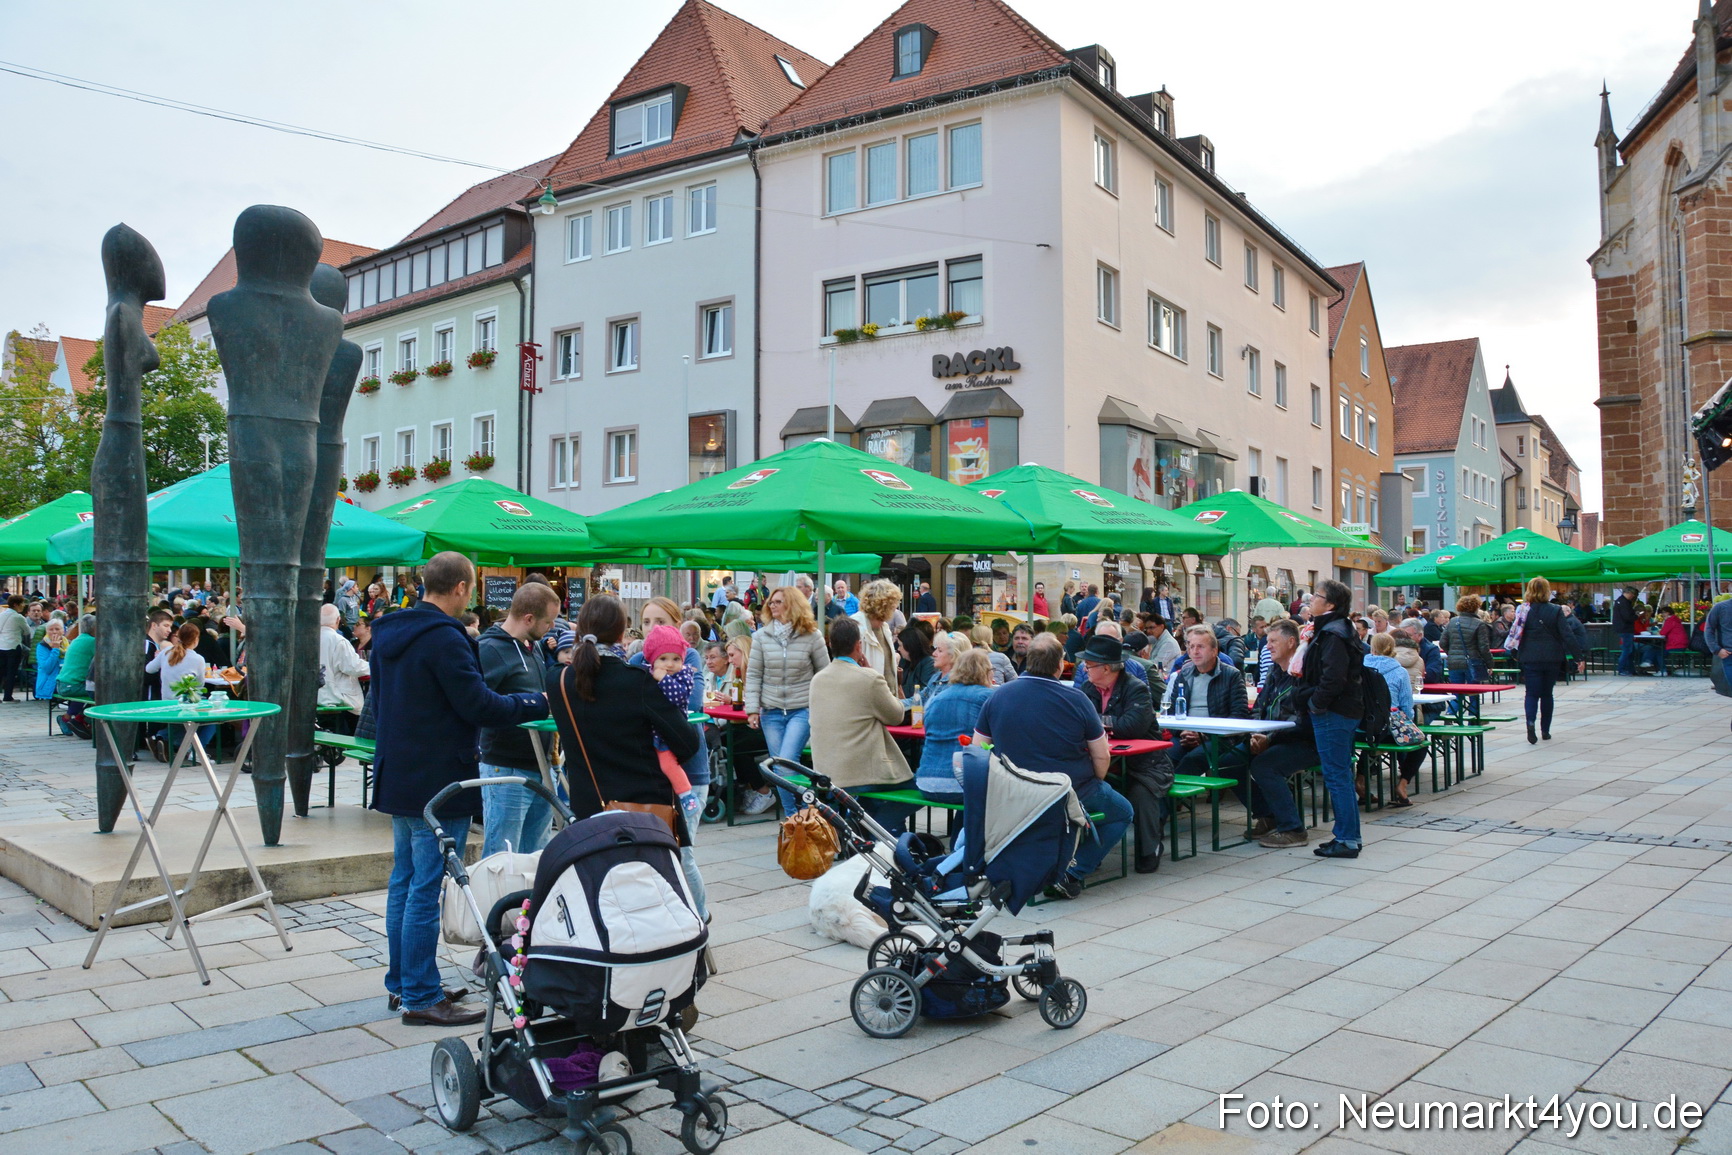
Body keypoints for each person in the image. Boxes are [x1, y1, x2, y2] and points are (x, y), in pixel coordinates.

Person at [369, 552, 548, 1026]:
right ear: (462, 588)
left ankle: (404, 983)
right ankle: (421, 996)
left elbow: (379, 703)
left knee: (405, 880)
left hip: (400, 770)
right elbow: (478, 705)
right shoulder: (445, 637)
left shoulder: (388, 630)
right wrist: (537, 702)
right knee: (425, 885)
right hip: (437, 777)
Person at [974, 634, 1126, 900]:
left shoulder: (998, 697)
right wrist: (1096, 781)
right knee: (1123, 812)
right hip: (1069, 789)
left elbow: (978, 749)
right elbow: (1101, 755)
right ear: (1059, 665)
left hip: (1016, 791)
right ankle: (1072, 871)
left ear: (1028, 661)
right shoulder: (1077, 699)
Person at [474, 583, 560, 859]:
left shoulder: (534, 647)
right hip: (506, 767)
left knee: (536, 857)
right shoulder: (489, 649)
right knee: (502, 857)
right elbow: (479, 705)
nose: (552, 627)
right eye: (548, 621)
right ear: (529, 619)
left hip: (542, 766)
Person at [809, 616, 918, 829]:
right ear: (859, 646)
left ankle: (863, 826)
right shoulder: (868, 679)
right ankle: (868, 828)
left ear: (830, 644)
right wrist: (872, 673)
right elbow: (896, 716)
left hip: (826, 769)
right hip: (862, 772)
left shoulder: (818, 680)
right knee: (916, 790)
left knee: (873, 801)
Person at [1077, 634, 1167, 873]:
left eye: (1089, 664)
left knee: (1141, 793)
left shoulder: (1136, 688)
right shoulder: (1088, 689)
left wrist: (1096, 722)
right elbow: (1079, 724)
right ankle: (1090, 854)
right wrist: (1105, 724)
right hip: (1103, 762)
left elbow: (1132, 726)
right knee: (1089, 791)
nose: (1084, 669)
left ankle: (1149, 849)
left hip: (1145, 763)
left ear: (1106, 668)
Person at [745, 585, 828, 814]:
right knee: (778, 766)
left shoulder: (812, 636)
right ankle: (799, 816)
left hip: (802, 708)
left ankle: (797, 814)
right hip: (771, 711)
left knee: (786, 762)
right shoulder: (761, 637)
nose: (772, 605)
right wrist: (752, 709)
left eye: (778, 601)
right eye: (771, 602)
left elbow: (825, 674)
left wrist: (821, 708)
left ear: (792, 605)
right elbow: (754, 674)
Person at [1302, 580, 1366, 859]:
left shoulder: (1332, 633)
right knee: (1339, 774)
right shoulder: (1339, 628)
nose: (1311, 599)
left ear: (1330, 604)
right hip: (1343, 710)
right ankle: (1348, 836)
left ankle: (1347, 839)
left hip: (1334, 712)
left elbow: (1333, 678)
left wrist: (1316, 704)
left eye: (1316, 596)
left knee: (1337, 775)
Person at [1243, 619, 1313, 846]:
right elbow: (1258, 708)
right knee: (1226, 761)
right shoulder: (1274, 671)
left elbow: (1302, 720)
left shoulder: (1303, 673)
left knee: (1265, 765)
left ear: (1291, 642)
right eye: (1267, 641)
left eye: (1273, 641)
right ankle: (1268, 815)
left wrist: (1269, 738)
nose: (1268, 646)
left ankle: (1293, 829)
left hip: (1306, 742)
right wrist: (1255, 734)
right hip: (1272, 738)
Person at [1161, 627, 1251, 788]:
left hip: (1219, 737)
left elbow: (1239, 715)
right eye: (1191, 646)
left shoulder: (1231, 675)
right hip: (1185, 734)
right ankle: (1166, 798)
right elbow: (1173, 712)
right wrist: (1182, 732)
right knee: (1163, 757)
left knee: (1193, 759)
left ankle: (1169, 800)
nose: (1195, 651)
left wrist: (1204, 735)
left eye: (1200, 647)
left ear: (1214, 651)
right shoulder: (1184, 674)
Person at [914, 648, 994, 800]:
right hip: (963, 782)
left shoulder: (936, 698)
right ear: (986, 672)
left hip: (926, 781)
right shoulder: (988, 697)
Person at [1506, 577, 1568, 744]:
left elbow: (1516, 632)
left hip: (1530, 656)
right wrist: (1579, 656)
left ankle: (1530, 723)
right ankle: (1545, 730)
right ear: (1547, 591)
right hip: (1552, 656)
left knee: (1531, 694)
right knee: (1547, 694)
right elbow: (1566, 633)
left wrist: (1514, 651)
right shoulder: (1555, 610)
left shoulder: (1523, 610)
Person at [143, 622, 216, 762]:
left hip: (166, 701)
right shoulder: (198, 659)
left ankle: (161, 736)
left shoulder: (166, 652)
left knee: (187, 721)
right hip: (186, 703)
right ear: (196, 639)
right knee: (213, 718)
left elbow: (149, 669)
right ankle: (195, 752)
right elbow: (200, 685)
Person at [316, 603, 369, 726]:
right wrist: (374, 667)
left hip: (317, 698)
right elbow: (353, 667)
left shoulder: (310, 638)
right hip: (336, 700)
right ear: (338, 620)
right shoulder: (338, 640)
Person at [852, 579, 902, 696]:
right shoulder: (856, 626)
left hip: (887, 697)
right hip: (869, 697)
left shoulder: (884, 627)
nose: (895, 607)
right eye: (893, 604)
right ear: (884, 605)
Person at [1443, 595, 1493, 686]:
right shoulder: (1479, 624)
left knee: (1456, 690)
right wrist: (1490, 664)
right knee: (1473, 690)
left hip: (1453, 662)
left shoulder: (1452, 621)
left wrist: (1452, 653)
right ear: (1476, 608)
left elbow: (1442, 642)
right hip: (1473, 661)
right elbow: (1484, 647)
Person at [0, 594, 29, 702]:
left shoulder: (1, 615)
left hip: (1, 646)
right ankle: (8, 696)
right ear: (16, 604)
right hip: (13, 646)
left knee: (1, 672)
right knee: (11, 672)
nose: (23, 605)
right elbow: (27, 631)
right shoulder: (18, 617)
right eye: (22, 603)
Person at [897, 623, 935, 700]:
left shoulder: (929, 664)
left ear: (910, 646)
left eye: (900, 645)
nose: (898, 649)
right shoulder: (905, 661)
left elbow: (924, 693)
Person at [35, 618, 66, 702]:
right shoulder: (42, 646)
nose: (54, 632)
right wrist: (55, 649)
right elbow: (47, 668)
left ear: (63, 631)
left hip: (65, 680)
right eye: (51, 629)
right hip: (50, 684)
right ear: (47, 631)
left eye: (57, 629)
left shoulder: (67, 644)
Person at [1612, 585, 1640, 676]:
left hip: (1622, 629)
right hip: (1625, 629)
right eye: (1632, 594)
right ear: (1628, 593)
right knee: (1627, 650)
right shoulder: (1624, 603)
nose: (1633, 596)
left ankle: (1630, 669)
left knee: (1630, 651)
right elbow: (1627, 617)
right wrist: (1636, 616)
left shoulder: (1619, 601)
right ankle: (1621, 669)